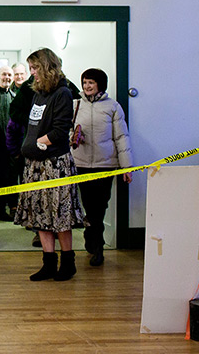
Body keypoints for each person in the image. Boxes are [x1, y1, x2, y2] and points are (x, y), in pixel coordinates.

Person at [13, 48, 85, 282]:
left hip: (55, 165)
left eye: (35, 68)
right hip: (34, 165)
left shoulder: (62, 93)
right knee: (40, 215)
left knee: (60, 215)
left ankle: (68, 262)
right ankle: (48, 263)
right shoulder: (38, 94)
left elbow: (59, 131)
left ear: (46, 67)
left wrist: (36, 145)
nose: (32, 73)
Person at [71, 68, 133, 267]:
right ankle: (96, 243)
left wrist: (127, 167)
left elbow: (122, 137)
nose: (87, 86)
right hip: (80, 164)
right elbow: (66, 131)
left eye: (91, 82)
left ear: (100, 84)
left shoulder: (113, 106)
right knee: (90, 206)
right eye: (85, 82)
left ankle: (96, 245)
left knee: (100, 206)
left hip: (106, 165)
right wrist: (73, 138)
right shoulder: (75, 105)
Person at [0, 65, 17, 221]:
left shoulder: (14, 98)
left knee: (7, 179)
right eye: (4, 74)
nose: (7, 77)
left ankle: (2, 210)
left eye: (10, 75)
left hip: (8, 148)